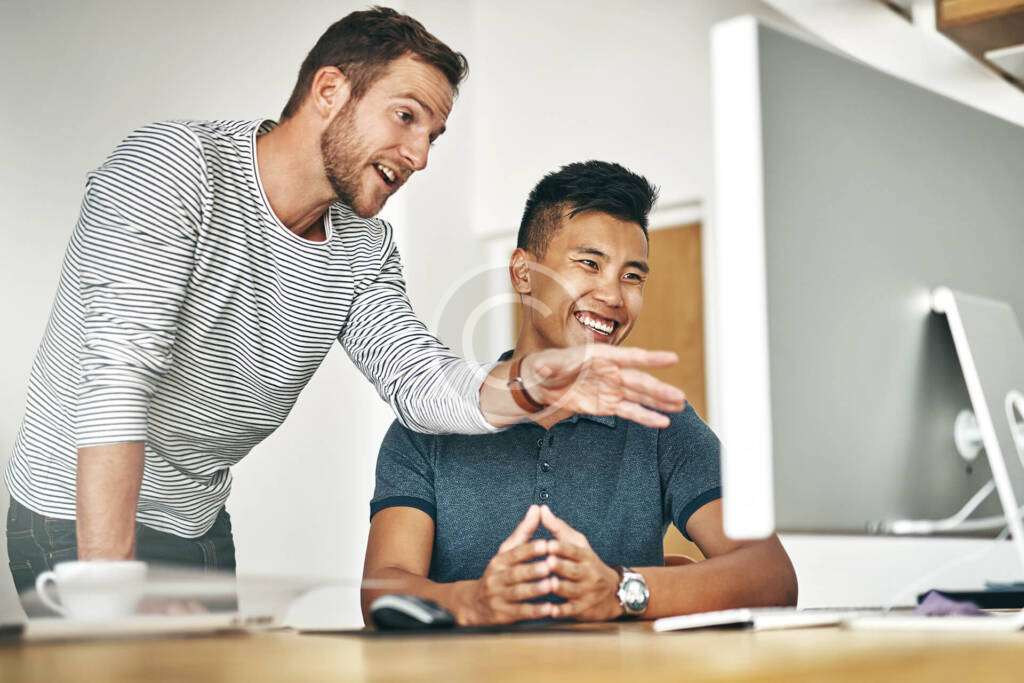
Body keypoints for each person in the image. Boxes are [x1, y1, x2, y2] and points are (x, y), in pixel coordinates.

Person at [4, 7, 686, 601]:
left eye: (433, 135)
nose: (419, 155)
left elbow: (418, 381)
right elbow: (117, 378)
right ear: (329, 90)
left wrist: (528, 385)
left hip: (195, 521)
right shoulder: (173, 169)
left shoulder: (363, 245)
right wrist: (107, 589)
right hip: (74, 514)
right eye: (406, 116)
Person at [361, 161, 797, 625]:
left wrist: (624, 590)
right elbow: (382, 590)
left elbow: (772, 576)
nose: (613, 296)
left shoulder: (660, 423)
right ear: (523, 272)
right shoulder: (429, 424)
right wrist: (474, 602)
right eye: (590, 264)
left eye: (632, 276)